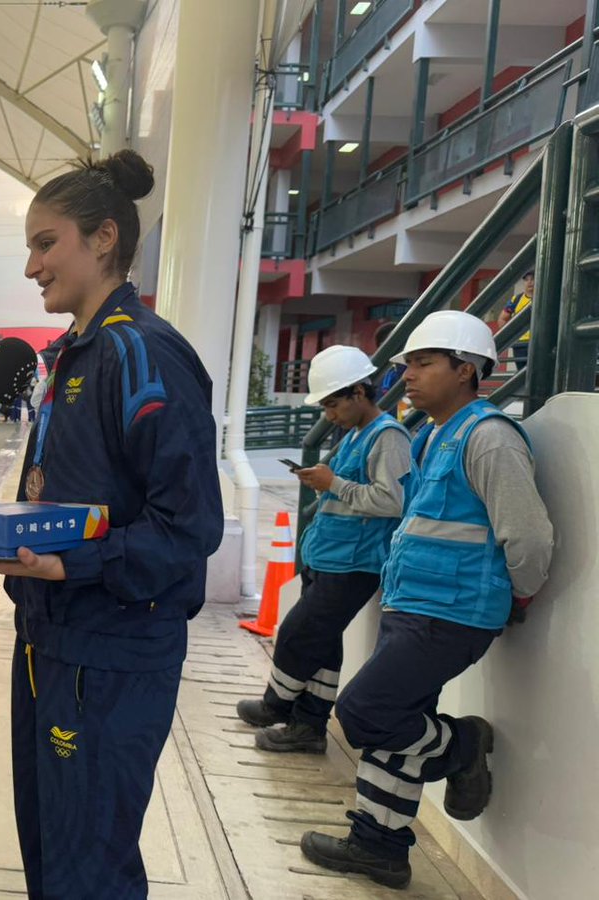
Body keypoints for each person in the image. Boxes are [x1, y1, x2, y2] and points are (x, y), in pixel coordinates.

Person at [0, 151, 224, 899]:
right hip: (48, 639)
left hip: (110, 650)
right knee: (51, 858)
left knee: (88, 873)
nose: (32, 266)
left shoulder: (143, 353)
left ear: (103, 239)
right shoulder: (77, 354)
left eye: (46, 243)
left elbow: (189, 526)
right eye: (30, 246)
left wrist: (73, 565)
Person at [300, 310, 554, 890]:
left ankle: (462, 745)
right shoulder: (435, 434)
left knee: (364, 713)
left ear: (466, 370)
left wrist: (518, 593)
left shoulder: (489, 438)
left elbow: (530, 535)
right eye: (406, 365)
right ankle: (379, 847)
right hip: (415, 604)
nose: (407, 376)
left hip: (453, 613)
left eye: (423, 363)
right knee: (398, 726)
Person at [237, 345, 410, 754]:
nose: (329, 415)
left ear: (359, 393)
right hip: (331, 556)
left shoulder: (388, 437)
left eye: (334, 404)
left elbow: (393, 500)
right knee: (323, 643)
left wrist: (332, 484)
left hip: (355, 564)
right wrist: (323, 482)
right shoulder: (356, 435)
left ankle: (276, 704)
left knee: (298, 633)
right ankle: (309, 725)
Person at [496, 269, 533, 371]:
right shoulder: (516, 299)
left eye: (533, 279)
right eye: (526, 280)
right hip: (520, 345)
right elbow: (502, 319)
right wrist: (511, 337)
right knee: (520, 374)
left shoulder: (544, 298)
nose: (530, 282)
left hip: (537, 343)